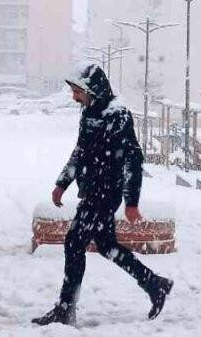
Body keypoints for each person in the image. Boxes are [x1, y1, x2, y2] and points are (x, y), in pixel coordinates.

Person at [32, 64, 174, 327]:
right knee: (107, 245)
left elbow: (133, 159)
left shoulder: (118, 115)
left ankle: (65, 309)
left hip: (105, 193)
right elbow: (81, 151)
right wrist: (62, 182)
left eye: (77, 91)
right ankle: (155, 284)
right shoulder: (89, 113)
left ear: (92, 90)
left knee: (74, 243)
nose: (74, 97)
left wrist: (131, 202)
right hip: (91, 191)